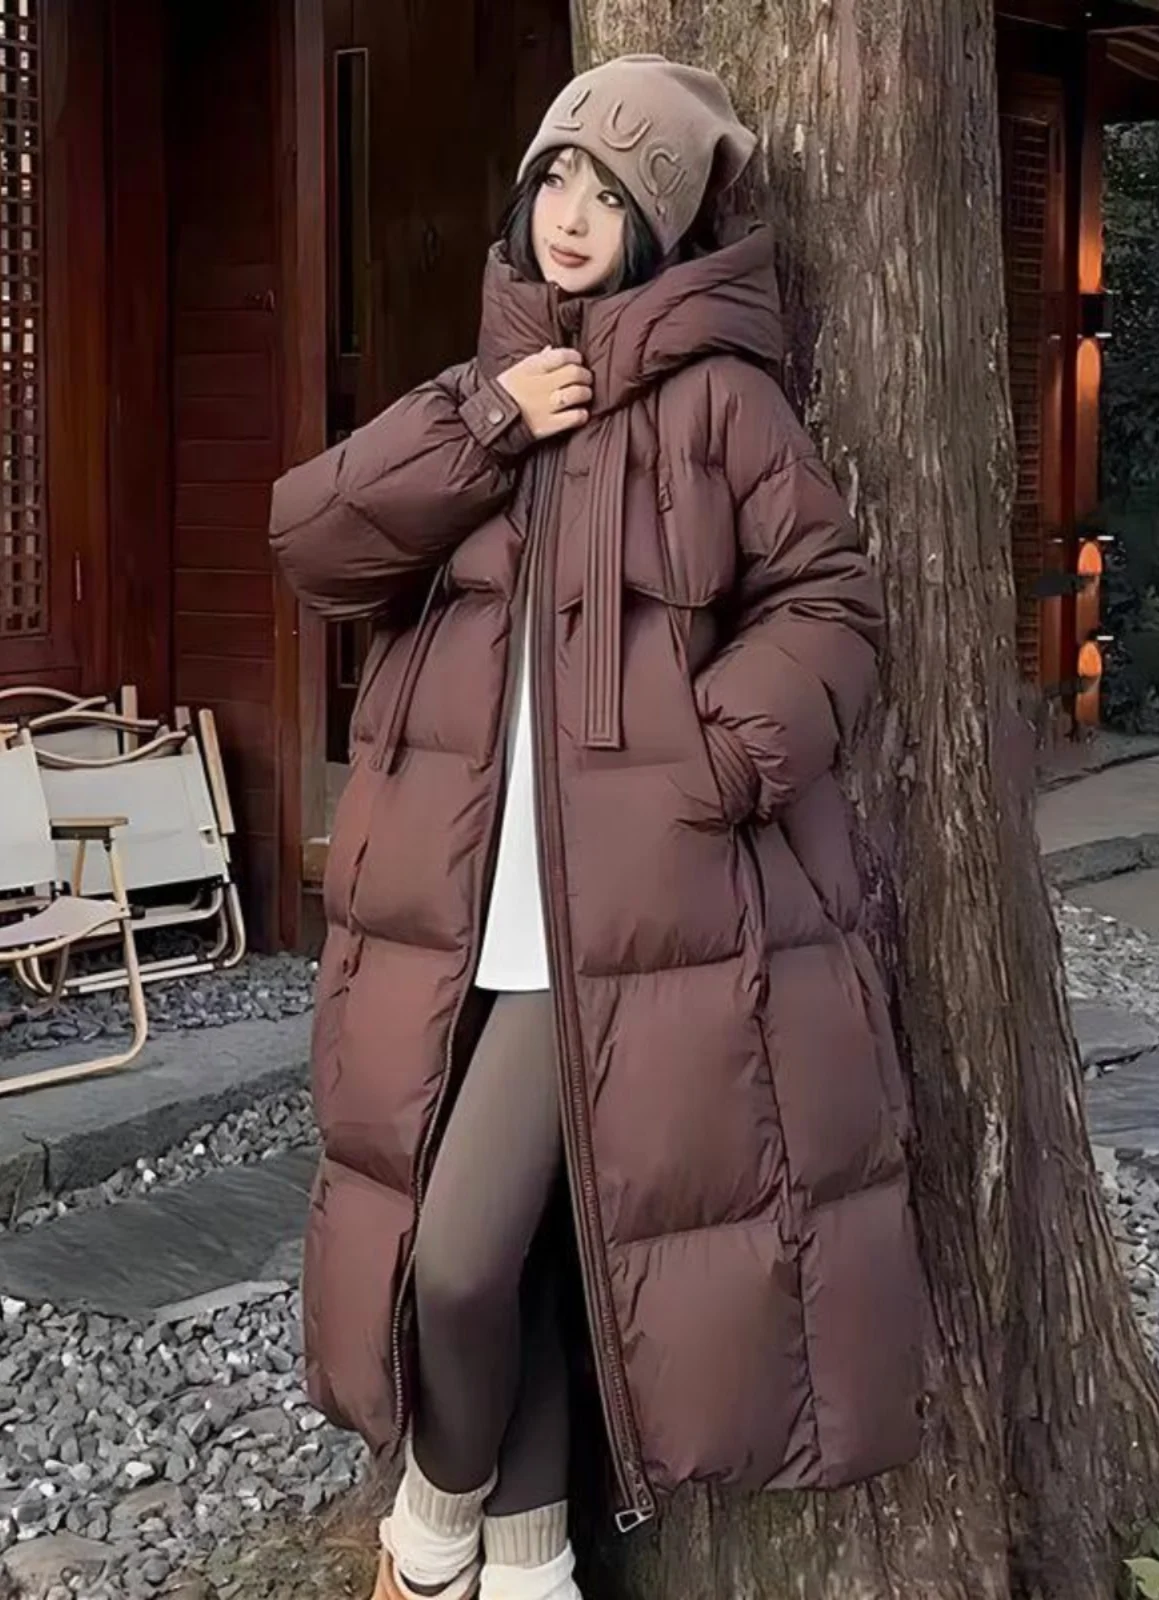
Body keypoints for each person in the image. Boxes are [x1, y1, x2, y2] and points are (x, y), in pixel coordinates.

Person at [270, 54, 925, 1600]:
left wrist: (710, 765)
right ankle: (529, 1564)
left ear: (664, 225)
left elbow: (831, 605)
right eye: (558, 176)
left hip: (619, 919)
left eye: (615, 195)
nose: (573, 214)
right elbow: (314, 545)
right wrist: (488, 425)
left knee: (458, 1259)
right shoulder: (483, 392)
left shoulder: (719, 402)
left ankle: (428, 1543)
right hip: (462, 912)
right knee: (532, 1263)